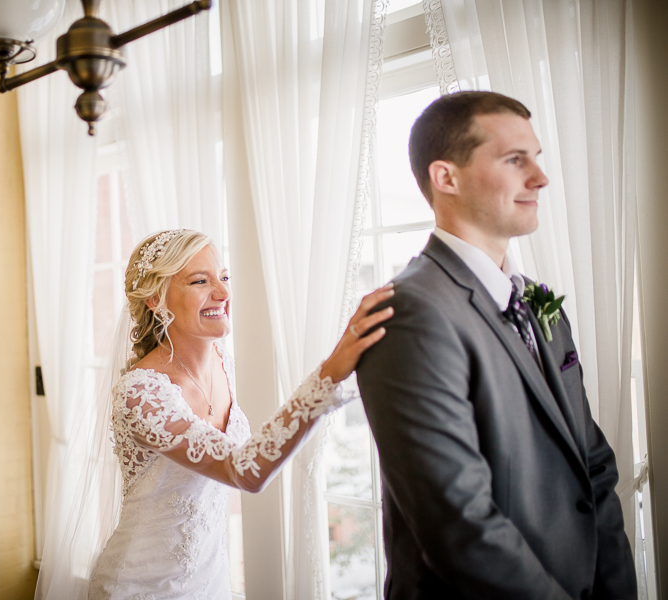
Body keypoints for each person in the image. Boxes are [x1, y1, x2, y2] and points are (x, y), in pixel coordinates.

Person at [355, 91, 637, 599]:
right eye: (514, 160)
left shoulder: (538, 300)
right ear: (447, 177)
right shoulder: (409, 314)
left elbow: (593, 465)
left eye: (537, 158)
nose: (540, 178)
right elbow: (458, 523)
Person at [86, 229, 394, 599]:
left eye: (225, 277)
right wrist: (328, 374)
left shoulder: (223, 364)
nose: (223, 293)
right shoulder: (140, 393)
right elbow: (244, 469)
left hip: (209, 581)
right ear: (155, 299)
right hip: (141, 587)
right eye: (201, 281)